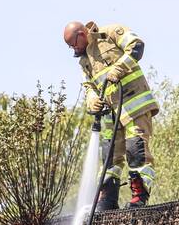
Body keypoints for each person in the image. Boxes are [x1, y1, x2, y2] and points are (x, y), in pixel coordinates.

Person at [63, 20, 160, 210]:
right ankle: (107, 199)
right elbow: (89, 85)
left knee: (136, 151)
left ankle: (139, 196)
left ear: (81, 35)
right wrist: (92, 98)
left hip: (134, 106)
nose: (73, 49)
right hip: (110, 115)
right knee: (109, 158)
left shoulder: (110, 34)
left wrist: (119, 68)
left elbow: (137, 45)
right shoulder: (84, 60)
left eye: (73, 44)